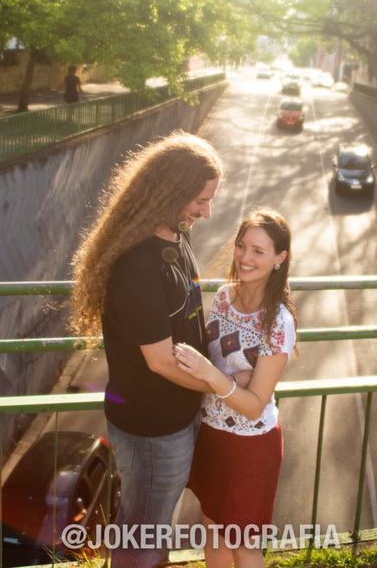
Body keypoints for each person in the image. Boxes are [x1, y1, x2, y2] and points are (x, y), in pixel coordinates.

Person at [69, 131, 224, 568]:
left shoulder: (176, 235)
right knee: (143, 535)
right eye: (199, 200)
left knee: (154, 528)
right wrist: (222, 387)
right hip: (153, 430)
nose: (206, 212)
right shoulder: (137, 264)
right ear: (169, 191)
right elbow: (158, 360)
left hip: (177, 416)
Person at [173, 208, 298, 568]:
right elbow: (226, 367)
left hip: (251, 444)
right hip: (212, 433)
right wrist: (235, 379)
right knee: (212, 527)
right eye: (242, 246)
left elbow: (255, 405)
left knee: (243, 544)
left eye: (259, 251)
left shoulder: (279, 321)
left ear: (280, 258)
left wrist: (217, 378)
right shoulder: (226, 296)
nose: (245, 257)